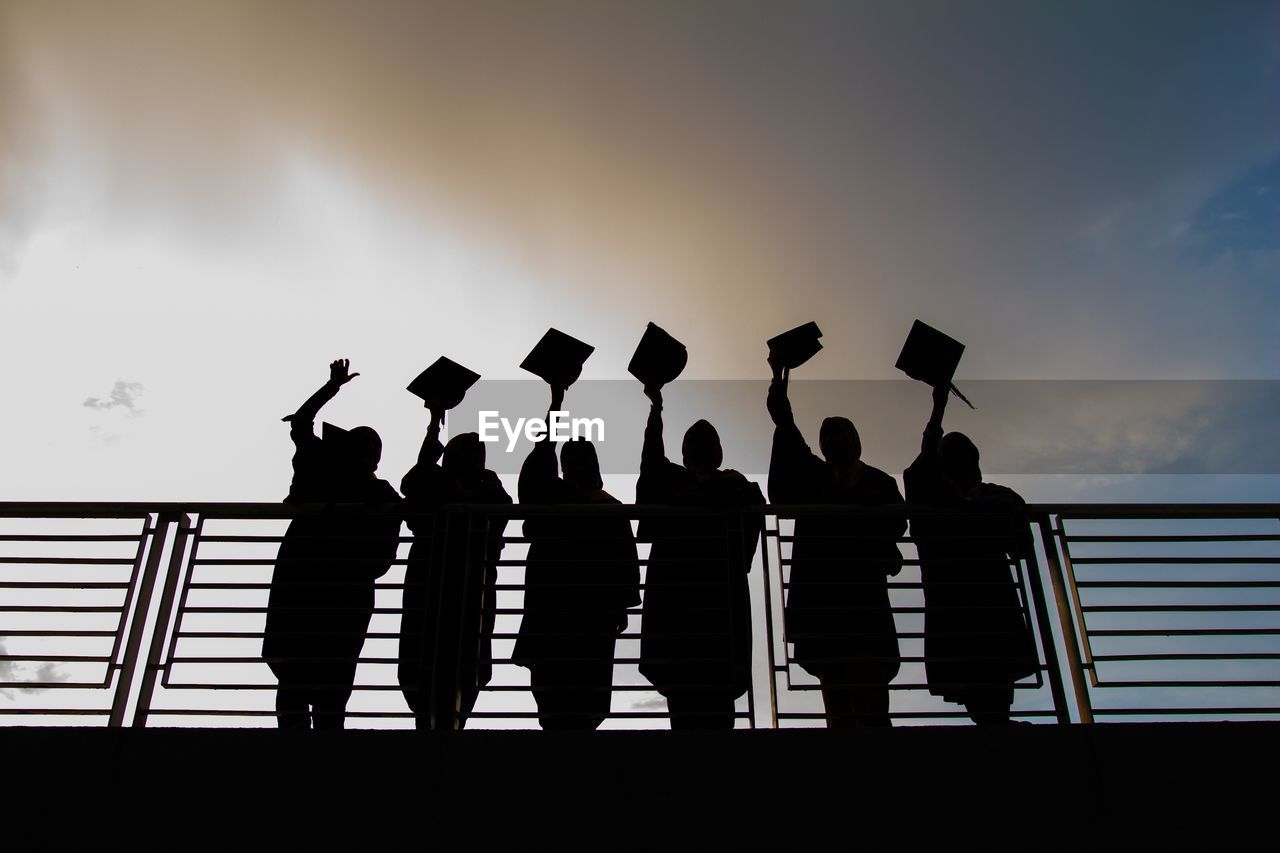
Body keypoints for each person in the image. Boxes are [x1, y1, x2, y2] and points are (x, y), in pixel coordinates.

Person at [766, 352, 905, 727]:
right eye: (826, 434)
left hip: (864, 600)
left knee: (872, 702)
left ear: (856, 440)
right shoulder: (814, 476)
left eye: (839, 432)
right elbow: (785, 422)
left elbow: (897, 525)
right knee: (837, 700)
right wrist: (779, 374)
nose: (831, 439)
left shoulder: (879, 482)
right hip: (823, 600)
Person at [263, 359, 402, 729]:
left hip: (339, 594)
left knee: (329, 691)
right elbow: (302, 424)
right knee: (295, 683)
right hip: (310, 588)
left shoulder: (379, 493)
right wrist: (332, 386)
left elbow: (382, 558)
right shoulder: (321, 471)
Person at [903, 382, 1038, 725]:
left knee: (992, 675)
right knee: (978, 679)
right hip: (961, 600)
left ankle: (996, 723)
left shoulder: (994, 497)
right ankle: (994, 724)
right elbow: (921, 471)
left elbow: (1021, 542)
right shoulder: (937, 497)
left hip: (985, 599)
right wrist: (937, 411)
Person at [637, 384, 764, 730]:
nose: (704, 443)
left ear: (720, 452)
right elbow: (650, 462)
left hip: (720, 598)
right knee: (682, 700)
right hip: (677, 598)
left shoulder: (739, 486)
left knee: (720, 704)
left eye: (711, 440)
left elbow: (752, 523)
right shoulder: (669, 479)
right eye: (696, 439)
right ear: (684, 451)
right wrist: (656, 410)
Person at [515, 381, 640, 730]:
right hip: (554, 614)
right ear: (563, 465)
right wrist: (555, 403)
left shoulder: (609, 507)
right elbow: (539, 463)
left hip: (593, 617)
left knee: (588, 701)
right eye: (572, 457)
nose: (580, 462)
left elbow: (625, 563)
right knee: (552, 701)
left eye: (586, 456)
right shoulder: (551, 495)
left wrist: (619, 607)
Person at [399, 406, 512, 730]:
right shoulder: (433, 479)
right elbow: (414, 482)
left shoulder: (490, 485)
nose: (476, 459)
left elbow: (504, 508)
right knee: (422, 661)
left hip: (471, 585)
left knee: (468, 664)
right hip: (430, 582)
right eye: (469, 452)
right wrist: (433, 427)